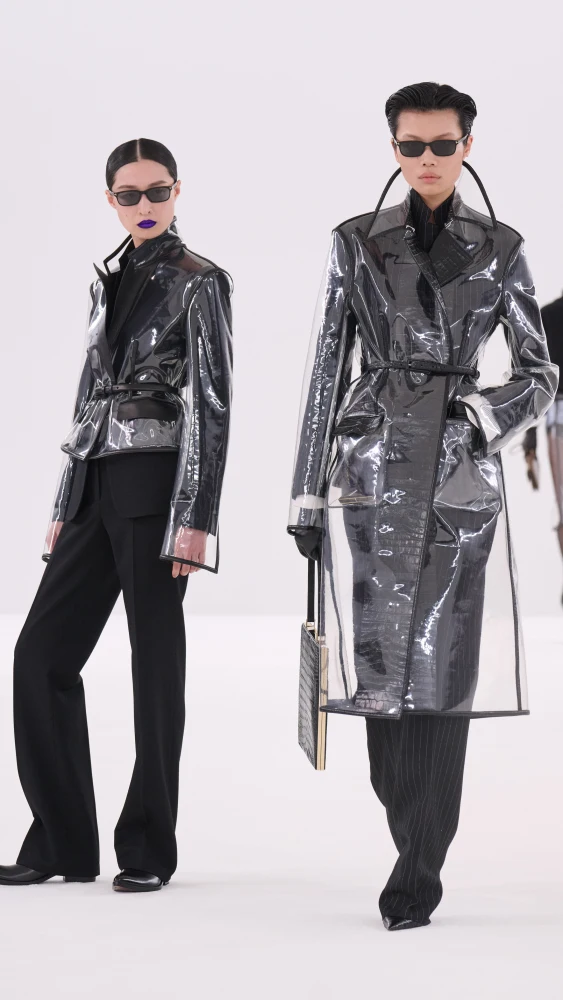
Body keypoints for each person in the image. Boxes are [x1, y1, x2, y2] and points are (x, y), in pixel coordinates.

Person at [288, 83, 557, 930]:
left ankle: (418, 867)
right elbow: (325, 364)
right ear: (394, 149)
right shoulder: (355, 242)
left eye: (443, 144)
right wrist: (304, 489)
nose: (428, 159)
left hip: (455, 478)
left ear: (467, 146)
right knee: (377, 670)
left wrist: (478, 417)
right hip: (370, 469)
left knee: (441, 668)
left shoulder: (500, 247)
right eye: (412, 146)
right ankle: (408, 825)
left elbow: (541, 372)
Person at [0, 138, 233, 892]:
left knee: (153, 667)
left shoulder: (201, 281)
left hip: (157, 486)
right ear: (110, 200)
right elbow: (86, 393)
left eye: (157, 191)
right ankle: (61, 844)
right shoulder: (105, 279)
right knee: (38, 657)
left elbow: (213, 403)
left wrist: (195, 518)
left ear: (177, 192)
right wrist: (64, 501)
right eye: (129, 195)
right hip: (96, 480)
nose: (144, 205)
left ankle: (148, 850)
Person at [522, 294, 563, 599]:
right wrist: (530, 439)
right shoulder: (547, 315)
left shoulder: (548, 315)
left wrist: (531, 439)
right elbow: (535, 377)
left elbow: (533, 378)